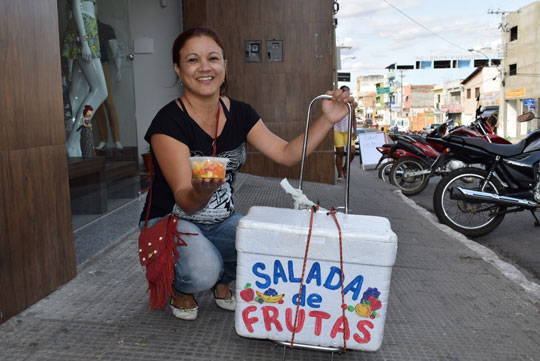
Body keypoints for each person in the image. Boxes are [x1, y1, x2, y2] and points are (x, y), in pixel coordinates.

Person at [140, 26, 354, 321]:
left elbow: (286, 154)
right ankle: (181, 284)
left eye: (213, 58)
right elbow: (185, 200)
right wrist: (203, 190)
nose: (204, 67)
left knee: (272, 245)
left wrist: (327, 119)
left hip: (219, 219)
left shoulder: (240, 114)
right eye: (192, 60)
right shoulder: (168, 122)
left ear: (225, 66)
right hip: (172, 221)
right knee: (204, 268)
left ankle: (219, 275)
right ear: (178, 69)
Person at [62, 0, 108, 157]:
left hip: (85, 28)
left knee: (77, 94)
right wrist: (84, 41)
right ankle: (73, 140)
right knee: (100, 91)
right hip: (84, 30)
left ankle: (70, 141)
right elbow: (75, 5)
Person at [94, 19, 124, 151]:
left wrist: (119, 69)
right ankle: (103, 139)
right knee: (96, 104)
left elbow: (115, 50)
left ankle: (116, 139)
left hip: (102, 64)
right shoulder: (82, 28)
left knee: (108, 101)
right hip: (88, 65)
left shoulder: (105, 28)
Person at [333, 85, 356, 181]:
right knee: (340, 152)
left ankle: (344, 168)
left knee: (352, 152)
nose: (345, 94)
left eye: (347, 92)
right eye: (343, 92)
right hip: (337, 130)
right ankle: (339, 174)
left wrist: (355, 131)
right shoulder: (336, 103)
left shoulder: (350, 104)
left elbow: (354, 118)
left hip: (348, 131)